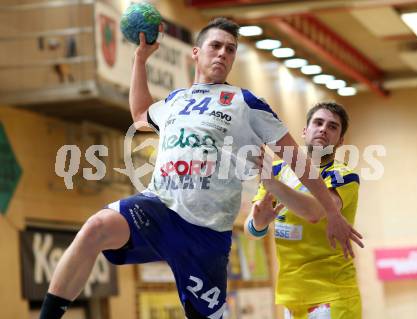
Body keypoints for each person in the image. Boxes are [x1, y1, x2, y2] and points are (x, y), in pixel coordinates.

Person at [39, 18, 362, 319]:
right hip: (160, 209)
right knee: (95, 228)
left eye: (230, 49)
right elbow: (140, 114)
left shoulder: (246, 103)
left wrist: (333, 214)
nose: (223, 53)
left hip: (205, 236)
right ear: (196, 53)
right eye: (216, 46)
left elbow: (296, 160)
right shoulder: (176, 101)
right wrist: (140, 59)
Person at [247, 102, 362, 319]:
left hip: (332, 295)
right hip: (291, 297)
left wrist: (273, 185)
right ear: (305, 131)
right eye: (318, 123)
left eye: (333, 127)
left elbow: (315, 212)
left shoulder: (342, 175)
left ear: (340, 141)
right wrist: (258, 224)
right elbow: (252, 228)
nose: (323, 129)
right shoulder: (278, 170)